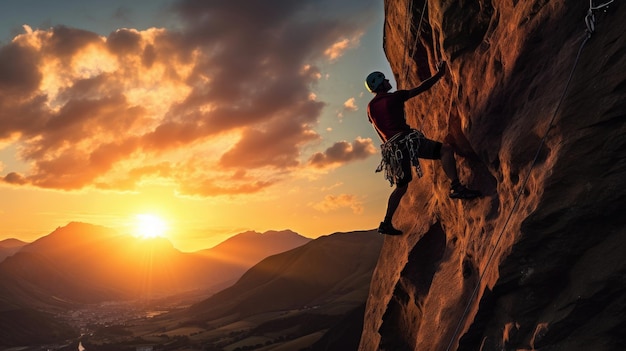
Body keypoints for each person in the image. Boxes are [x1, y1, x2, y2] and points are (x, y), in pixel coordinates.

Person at [365, 62, 481, 236]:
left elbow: (377, 127)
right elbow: (421, 88)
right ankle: (456, 187)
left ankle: (386, 222)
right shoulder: (393, 98)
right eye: (385, 79)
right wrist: (439, 74)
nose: (388, 80)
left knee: (401, 186)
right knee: (446, 150)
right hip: (406, 142)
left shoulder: (370, 108)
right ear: (380, 84)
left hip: (392, 149)